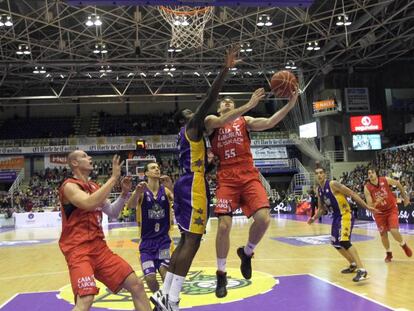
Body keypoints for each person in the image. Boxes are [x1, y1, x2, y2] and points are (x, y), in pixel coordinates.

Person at [151, 45, 240, 311]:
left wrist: (211, 167)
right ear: (185, 119)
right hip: (192, 186)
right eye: (191, 113)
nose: (196, 114)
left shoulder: (188, 137)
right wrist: (225, 70)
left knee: (184, 241)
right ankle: (173, 300)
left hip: (188, 183)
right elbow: (210, 100)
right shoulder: (191, 126)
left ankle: (164, 294)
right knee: (194, 241)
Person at [205, 87, 299, 297]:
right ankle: (221, 274)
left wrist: (291, 104)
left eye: (231, 101)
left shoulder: (244, 121)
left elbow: (270, 122)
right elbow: (219, 122)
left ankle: (246, 252)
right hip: (226, 177)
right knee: (223, 227)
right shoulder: (211, 121)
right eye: (224, 102)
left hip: (248, 174)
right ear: (219, 108)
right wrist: (248, 104)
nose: (228, 103)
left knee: (264, 219)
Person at [59, 150, 153, 311]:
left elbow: (113, 213)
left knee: (136, 285)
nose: (89, 158)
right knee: (86, 298)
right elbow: (88, 203)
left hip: (100, 249)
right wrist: (113, 178)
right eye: (84, 156)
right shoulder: (69, 186)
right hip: (78, 250)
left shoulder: (95, 186)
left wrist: (124, 194)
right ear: (74, 163)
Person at [308, 166, 377, 282]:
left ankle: (362, 270)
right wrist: (313, 218)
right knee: (335, 243)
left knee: (344, 241)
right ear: (315, 176)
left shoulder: (333, 184)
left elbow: (352, 194)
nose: (319, 175)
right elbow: (321, 209)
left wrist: (367, 207)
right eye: (317, 173)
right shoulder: (318, 190)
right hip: (336, 217)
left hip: (345, 215)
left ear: (325, 174)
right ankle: (353, 264)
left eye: (321, 172)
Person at [125, 162, 174, 293]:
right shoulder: (142, 191)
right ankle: (160, 301)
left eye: (158, 167)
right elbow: (130, 205)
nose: (157, 169)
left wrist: (172, 187)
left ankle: (167, 303)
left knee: (165, 273)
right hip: (146, 244)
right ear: (146, 173)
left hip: (163, 242)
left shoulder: (166, 191)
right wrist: (136, 193)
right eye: (153, 168)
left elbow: (179, 202)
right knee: (150, 278)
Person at [363, 166, 412, 262]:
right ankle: (388, 253)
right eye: (369, 173)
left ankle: (403, 245)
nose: (371, 174)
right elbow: (370, 206)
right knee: (383, 235)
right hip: (379, 213)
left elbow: (397, 183)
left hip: (391, 209)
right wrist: (377, 202)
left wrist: (405, 197)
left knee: (394, 230)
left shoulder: (384, 180)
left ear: (376, 173)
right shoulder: (367, 188)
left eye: (372, 172)